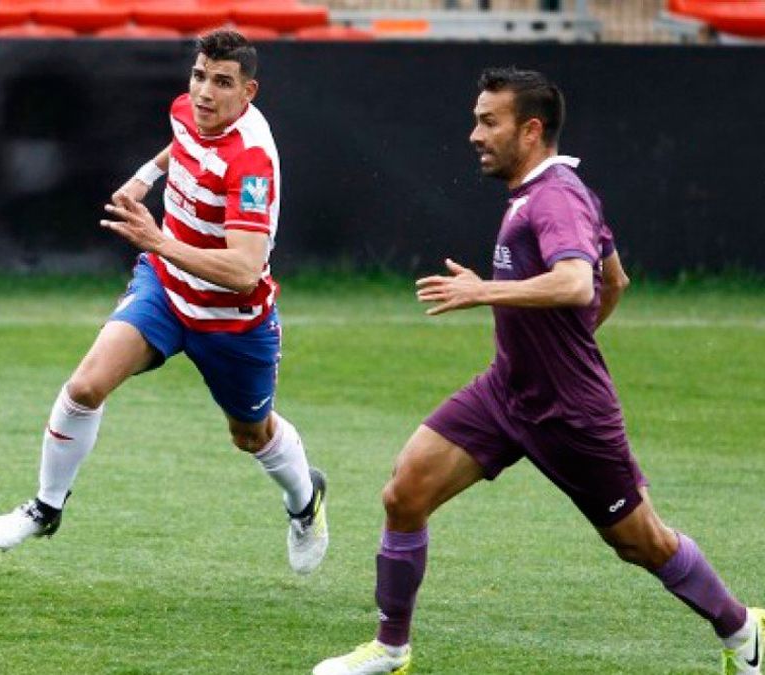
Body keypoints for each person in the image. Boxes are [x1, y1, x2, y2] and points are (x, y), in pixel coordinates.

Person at [313, 67, 762, 675]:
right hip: (506, 390)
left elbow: (580, 282)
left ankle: (742, 632)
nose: (474, 134)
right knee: (405, 491)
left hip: (570, 411)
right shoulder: (550, 190)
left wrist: (485, 295)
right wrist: (551, 344)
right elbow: (616, 280)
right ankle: (390, 650)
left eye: (488, 121)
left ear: (530, 129)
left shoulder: (553, 198)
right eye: (476, 119)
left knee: (641, 542)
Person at [0, 29, 329, 576]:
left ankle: (306, 503)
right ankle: (46, 507)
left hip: (231, 320)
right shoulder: (188, 109)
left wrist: (158, 239)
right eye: (199, 76)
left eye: (222, 82)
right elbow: (180, 142)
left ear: (249, 91)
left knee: (250, 435)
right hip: (164, 288)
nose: (205, 93)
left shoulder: (251, 162)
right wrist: (143, 179)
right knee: (85, 386)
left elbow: (242, 271)